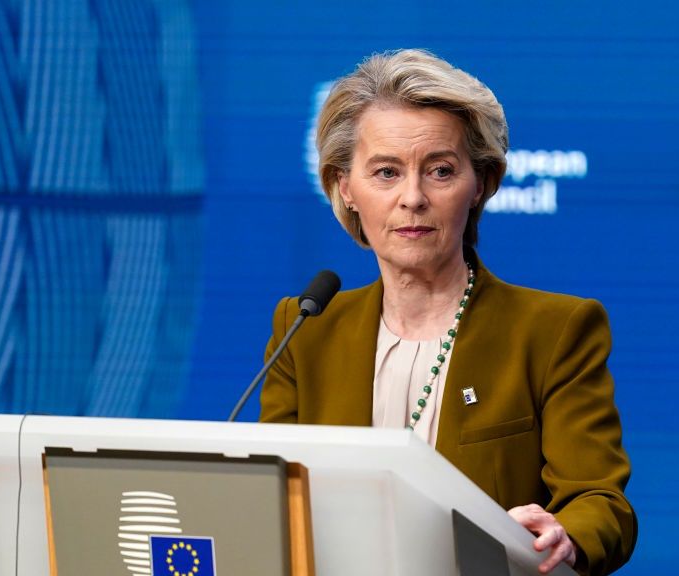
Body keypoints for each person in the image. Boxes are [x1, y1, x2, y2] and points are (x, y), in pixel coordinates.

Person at [260, 49, 637, 575]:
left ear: (480, 183)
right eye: (386, 172)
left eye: (440, 170)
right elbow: (271, 498)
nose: (412, 198)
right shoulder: (305, 329)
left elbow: (601, 502)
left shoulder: (553, 331)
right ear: (345, 188)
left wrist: (566, 534)